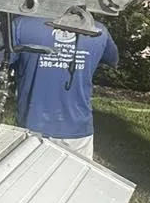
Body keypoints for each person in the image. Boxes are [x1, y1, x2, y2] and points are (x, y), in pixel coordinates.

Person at [10, 11, 118, 159]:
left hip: (33, 124)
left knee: (31, 178)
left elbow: (2, 62)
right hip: (77, 128)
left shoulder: (22, 25)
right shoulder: (98, 31)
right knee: (73, 179)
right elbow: (112, 59)